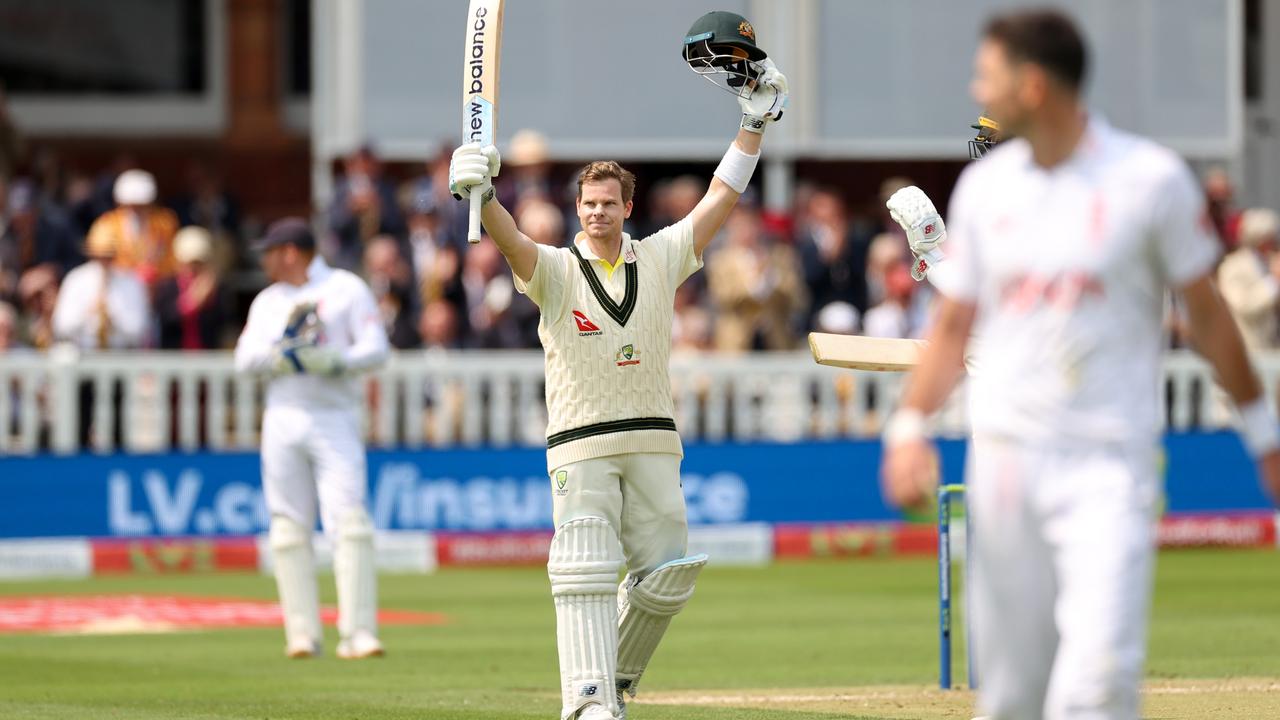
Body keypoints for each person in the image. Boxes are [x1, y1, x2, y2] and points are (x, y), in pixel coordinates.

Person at [879, 11, 1280, 720]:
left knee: (1097, 684)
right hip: (1005, 463)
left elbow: (1208, 315)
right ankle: (931, 254)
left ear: (1032, 86)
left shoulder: (1149, 181)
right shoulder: (987, 191)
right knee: (1012, 698)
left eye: (987, 75)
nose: (977, 88)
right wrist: (907, 426)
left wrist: (1263, 433)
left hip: (1108, 462)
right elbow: (953, 327)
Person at [448, 10, 787, 719]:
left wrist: (753, 126)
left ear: (628, 207)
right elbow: (508, 242)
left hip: (654, 435)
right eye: (587, 203)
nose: (597, 212)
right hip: (581, 438)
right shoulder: (555, 268)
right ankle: (587, 700)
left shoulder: (662, 255)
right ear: (576, 208)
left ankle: (616, 677)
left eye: (609, 202)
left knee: (669, 577)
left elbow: (721, 200)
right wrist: (483, 189)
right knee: (583, 567)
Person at [233, 218, 390, 660]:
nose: (263, 259)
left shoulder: (344, 288)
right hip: (283, 416)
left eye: (270, 250)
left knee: (351, 524)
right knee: (287, 527)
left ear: (291, 252)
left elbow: (377, 347)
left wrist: (334, 361)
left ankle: (358, 633)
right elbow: (244, 360)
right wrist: (280, 359)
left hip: (333, 417)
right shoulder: (268, 301)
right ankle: (301, 634)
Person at [87, 169, 180, 286]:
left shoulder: (165, 223)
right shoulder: (106, 225)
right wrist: (131, 274)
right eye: (130, 205)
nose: (136, 210)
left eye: (141, 205)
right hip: (119, 288)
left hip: (158, 288)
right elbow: (100, 262)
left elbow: (172, 262)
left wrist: (154, 272)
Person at [155, 226, 228, 350]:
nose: (192, 268)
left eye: (198, 263)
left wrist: (210, 299)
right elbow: (167, 320)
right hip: (174, 362)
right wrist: (192, 302)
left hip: (207, 360)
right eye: (189, 263)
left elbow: (223, 324)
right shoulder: (167, 287)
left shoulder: (217, 289)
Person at [1217, 208, 1280, 351]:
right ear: (1262, 239)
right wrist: (1274, 281)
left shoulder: (1270, 263)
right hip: (1248, 349)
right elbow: (1244, 306)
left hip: (1272, 349)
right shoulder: (1232, 267)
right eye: (1272, 238)